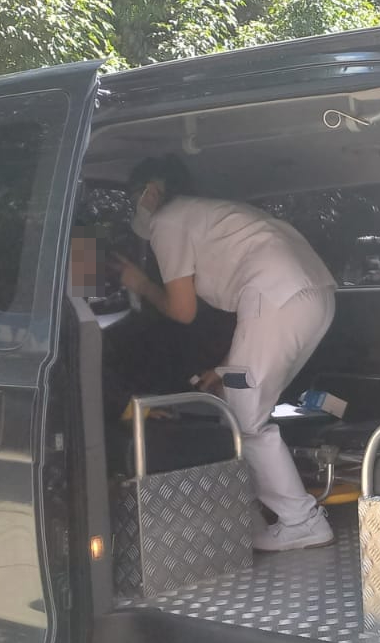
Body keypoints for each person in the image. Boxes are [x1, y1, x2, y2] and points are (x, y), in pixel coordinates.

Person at [115, 156, 338, 552]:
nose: (136, 204)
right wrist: (226, 367)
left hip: (274, 297)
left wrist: (140, 283)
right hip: (314, 296)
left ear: (149, 192)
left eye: (136, 195)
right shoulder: (209, 214)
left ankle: (300, 521)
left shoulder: (169, 222)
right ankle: (260, 507)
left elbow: (182, 311)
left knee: (245, 418)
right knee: (245, 397)